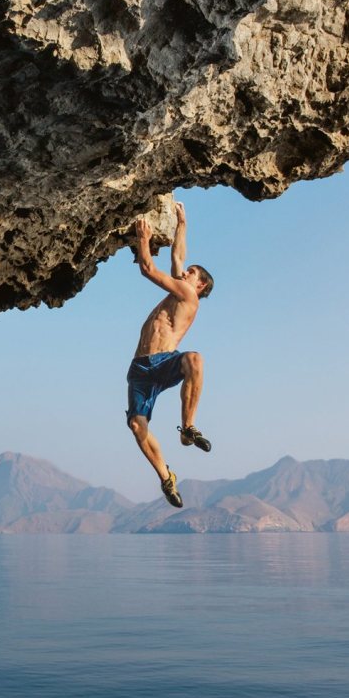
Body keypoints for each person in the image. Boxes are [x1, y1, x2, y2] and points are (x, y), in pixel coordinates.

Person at [126, 204, 214, 508]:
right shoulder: (180, 289)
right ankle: (166, 477)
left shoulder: (188, 296)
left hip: (164, 362)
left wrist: (144, 238)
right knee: (137, 426)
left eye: (191, 274)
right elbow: (178, 256)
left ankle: (188, 427)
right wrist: (182, 222)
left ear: (199, 285)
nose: (185, 271)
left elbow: (148, 268)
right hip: (140, 367)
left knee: (195, 360)